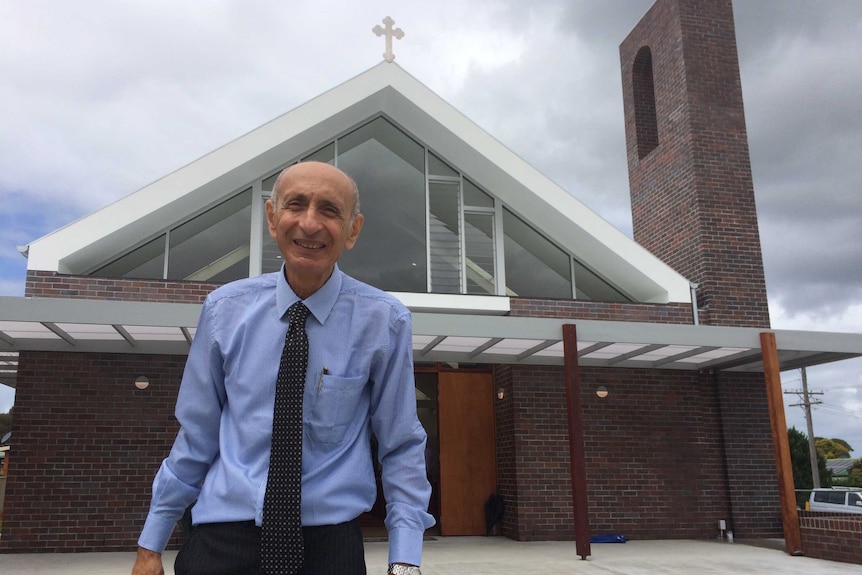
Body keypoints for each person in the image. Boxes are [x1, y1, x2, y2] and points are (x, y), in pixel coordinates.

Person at [132, 161, 434, 575]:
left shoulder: (385, 322)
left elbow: (400, 443)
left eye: (329, 210)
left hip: (329, 547)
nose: (310, 223)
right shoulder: (224, 311)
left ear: (353, 230)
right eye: (296, 205)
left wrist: (405, 558)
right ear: (273, 218)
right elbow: (197, 434)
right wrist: (152, 543)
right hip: (221, 539)